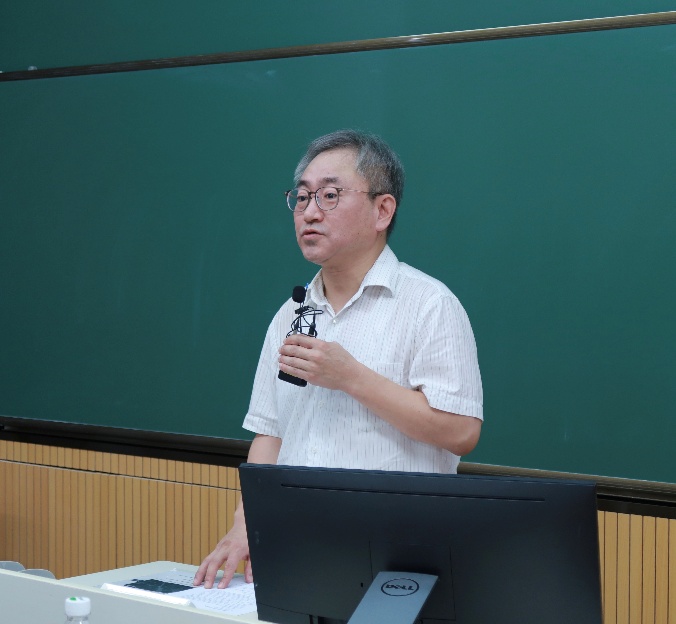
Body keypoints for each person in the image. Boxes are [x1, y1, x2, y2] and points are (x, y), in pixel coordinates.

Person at [194, 129, 483, 589]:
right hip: (297, 550)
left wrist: (351, 377)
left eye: (330, 196)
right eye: (302, 197)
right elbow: (271, 433)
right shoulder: (290, 314)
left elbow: (462, 431)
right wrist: (245, 523)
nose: (310, 212)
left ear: (382, 210)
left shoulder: (429, 305)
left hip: (399, 559)